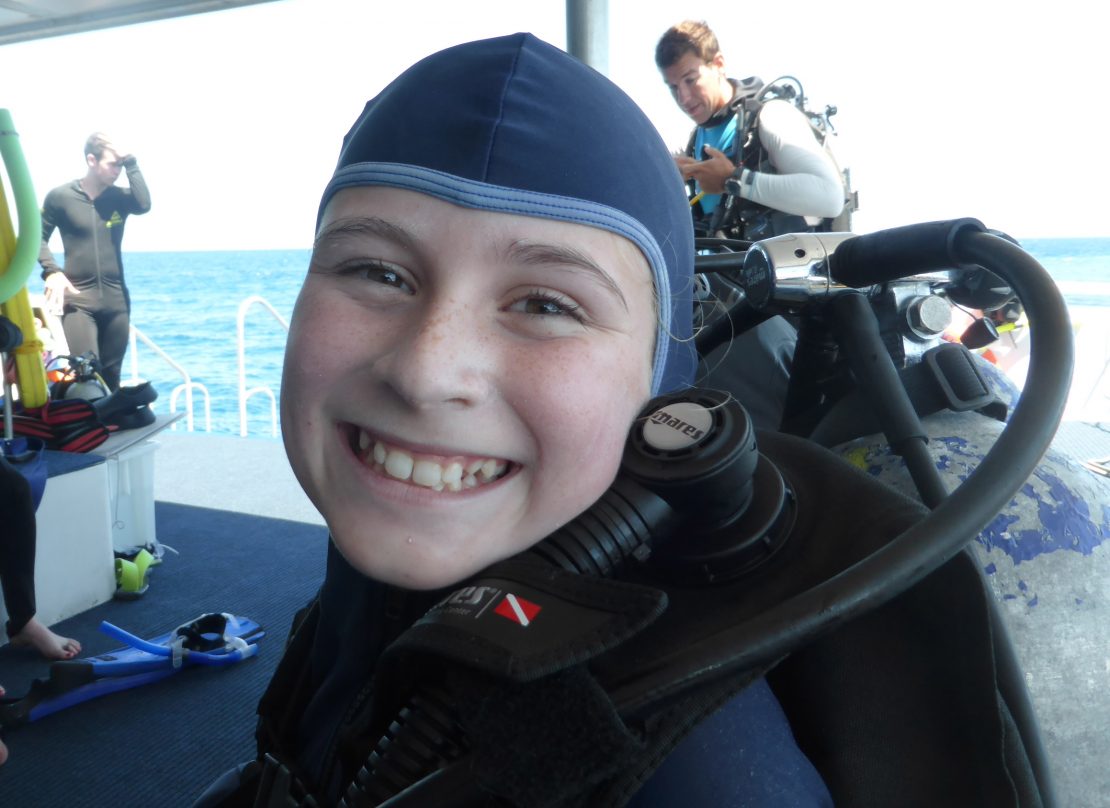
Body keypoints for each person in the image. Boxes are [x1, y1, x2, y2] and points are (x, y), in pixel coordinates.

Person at [195, 33, 1048, 808]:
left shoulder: (682, 765)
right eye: (377, 273)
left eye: (545, 303)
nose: (427, 372)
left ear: (662, 386)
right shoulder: (378, 583)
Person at [656, 20, 847, 241]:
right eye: (673, 87)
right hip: (727, 263)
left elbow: (830, 197)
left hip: (788, 262)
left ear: (718, 64)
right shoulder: (695, 141)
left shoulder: (771, 116)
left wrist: (732, 180)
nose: (683, 98)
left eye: (690, 80)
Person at [38, 132, 151, 392]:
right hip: (79, 301)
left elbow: (144, 204)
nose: (117, 171)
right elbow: (37, 238)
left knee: (111, 377)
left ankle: (111, 419)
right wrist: (51, 272)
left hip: (116, 300)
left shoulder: (119, 198)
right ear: (91, 160)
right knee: (88, 375)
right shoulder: (60, 197)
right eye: (113, 164)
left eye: (121, 166)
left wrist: (131, 162)